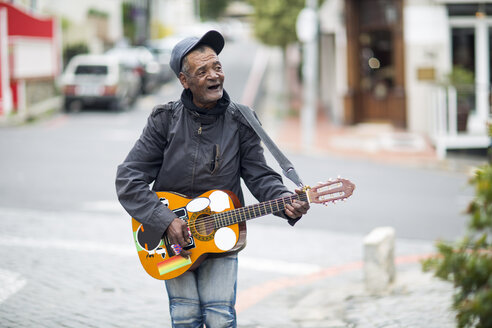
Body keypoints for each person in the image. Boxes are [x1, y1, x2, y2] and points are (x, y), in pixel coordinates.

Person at [115, 30, 310, 328]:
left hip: (223, 236)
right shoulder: (163, 120)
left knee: (220, 318)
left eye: (216, 66)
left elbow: (259, 175)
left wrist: (284, 201)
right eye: (201, 70)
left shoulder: (242, 119)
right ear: (184, 80)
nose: (213, 75)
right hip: (171, 239)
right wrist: (165, 219)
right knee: (185, 318)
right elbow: (129, 179)